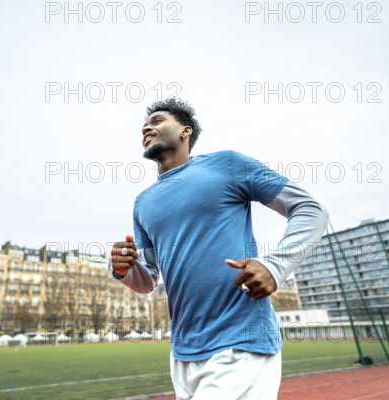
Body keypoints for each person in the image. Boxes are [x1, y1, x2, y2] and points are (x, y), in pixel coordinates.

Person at [111, 98, 328, 399]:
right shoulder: (142, 203)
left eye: (158, 120)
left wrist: (274, 266)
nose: (147, 127)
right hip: (183, 354)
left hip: (240, 343)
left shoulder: (227, 164)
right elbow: (148, 280)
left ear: (185, 131)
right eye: (145, 125)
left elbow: (309, 209)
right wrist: (125, 269)